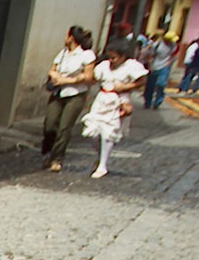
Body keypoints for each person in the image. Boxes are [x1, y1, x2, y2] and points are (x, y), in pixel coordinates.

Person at [82, 39, 147, 179]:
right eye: (109, 57)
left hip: (119, 100)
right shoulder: (104, 66)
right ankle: (100, 155)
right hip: (102, 99)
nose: (111, 60)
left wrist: (124, 87)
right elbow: (94, 79)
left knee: (108, 132)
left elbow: (141, 81)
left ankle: (102, 165)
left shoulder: (131, 66)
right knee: (91, 132)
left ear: (123, 56)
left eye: (114, 57)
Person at [42, 26, 97, 173]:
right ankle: (47, 151)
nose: (64, 38)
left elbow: (88, 76)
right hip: (58, 92)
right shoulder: (63, 53)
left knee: (64, 127)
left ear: (71, 37)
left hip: (75, 94)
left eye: (66, 35)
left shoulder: (87, 55)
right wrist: (55, 77)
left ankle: (57, 158)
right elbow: (52, 69)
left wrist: (67, 81)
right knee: (50, 124)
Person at [142, 33, 176, 109]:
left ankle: (158, 102)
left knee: (161, 84)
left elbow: (172, 54)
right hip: (155, 66)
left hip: (164, 67)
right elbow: (150, 56)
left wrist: (169, 62)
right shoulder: (157, 45)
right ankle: (147, 102)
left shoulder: (173, 45)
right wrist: (150, 65)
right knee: (150, 85)